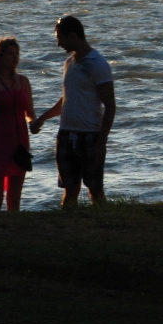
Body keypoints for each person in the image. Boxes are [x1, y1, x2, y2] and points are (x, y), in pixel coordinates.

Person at [30, 15, 116, 209]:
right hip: (66, 134)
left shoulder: (98, 64)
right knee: (70, 187)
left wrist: (101, 143)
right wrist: (42, 119)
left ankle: (106, 222)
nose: (58, 43)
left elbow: (110, 106)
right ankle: (67, 224)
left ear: (72, 35)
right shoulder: (69, 63)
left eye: (60, 38)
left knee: (95, 188)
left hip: (90, 135)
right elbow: (66, 99)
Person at [0, 36, 36, 211]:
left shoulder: (23, 82)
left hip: (19, 141)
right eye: (10, 54)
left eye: (17, 54)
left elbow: (30, 114)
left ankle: (13, 233)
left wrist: (36, 123)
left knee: (14, 198)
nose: (15, 57)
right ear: (0, 56)